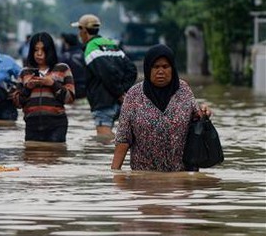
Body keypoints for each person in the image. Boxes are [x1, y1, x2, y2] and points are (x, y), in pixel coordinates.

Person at [111, 44, 212, 172]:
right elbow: (123, 139)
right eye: (155, 67)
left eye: (165, 67)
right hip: (144, 177)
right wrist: (115, 174)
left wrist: (204, 113)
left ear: (172, 69)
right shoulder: (134, 95)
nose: (160, 71)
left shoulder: (184, 90)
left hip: (180, 176)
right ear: (148, 69)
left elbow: (196, 120)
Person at [71, 14, 137, 138]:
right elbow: (131, 70)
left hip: (103, 102)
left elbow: (106, 72)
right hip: (120, 102)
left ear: (84, 31)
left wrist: (119, 93)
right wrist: (124, 92)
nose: (79, 34)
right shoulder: (111, 44)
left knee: (104, 139)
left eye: (79, 30)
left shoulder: (90, 49)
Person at [13, 32, 75, 143]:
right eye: (36, 50)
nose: (39, 54)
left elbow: (70, 98)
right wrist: (28, 88)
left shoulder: (62, 69)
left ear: (50, 50)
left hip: (57, 124)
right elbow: (17, 103)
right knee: (31, 157)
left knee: (55, 157)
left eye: (43, 50)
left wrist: (52, 84)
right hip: (32, 124)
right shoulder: (25, 72)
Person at [60, 33, 86, 99]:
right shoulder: (84, 54)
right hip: (85, 88)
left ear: (67, 43)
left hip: (70, 89)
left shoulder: (64, 57)